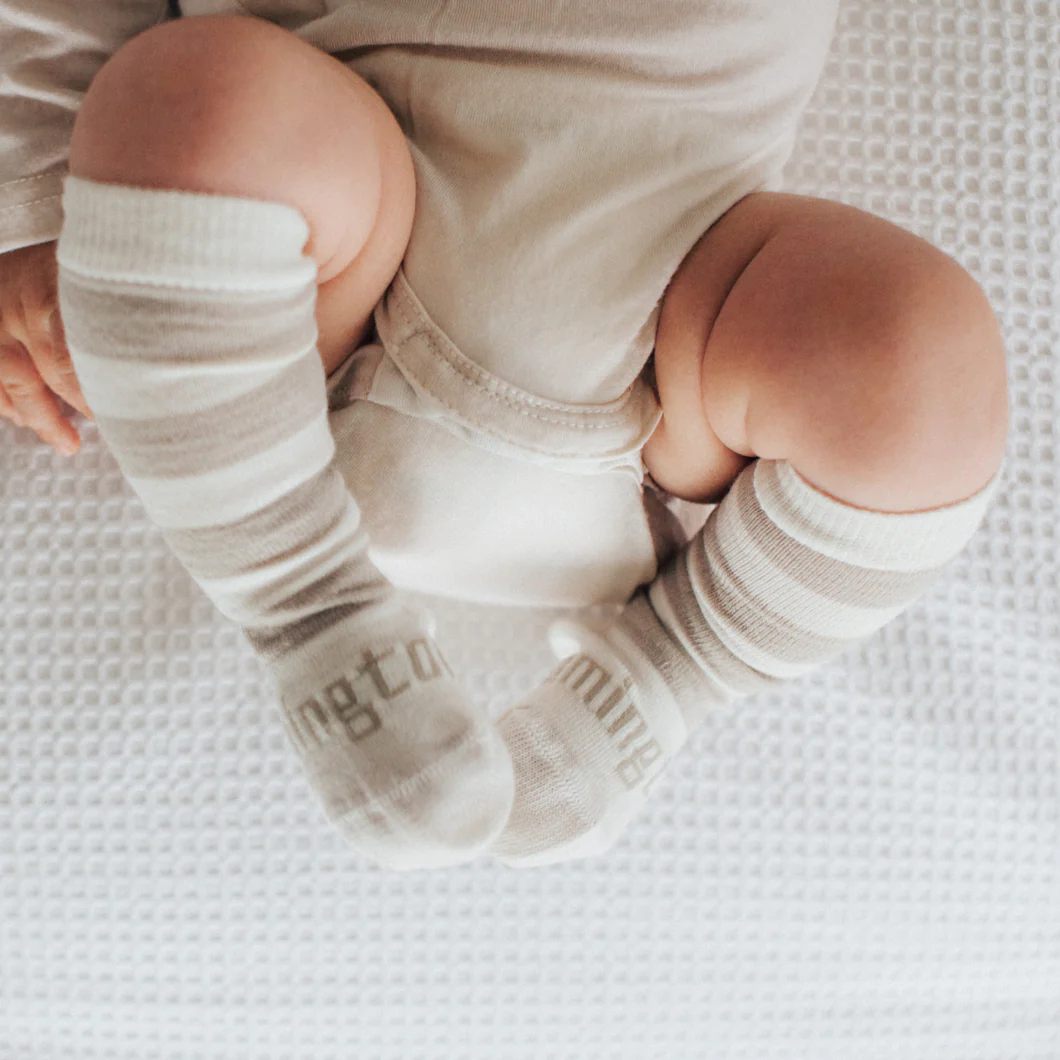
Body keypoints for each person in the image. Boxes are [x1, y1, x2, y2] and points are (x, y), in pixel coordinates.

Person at [0, 2, 1008, 870]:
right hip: (326, 248)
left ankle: (656, 682)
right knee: (185, 97)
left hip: (677, 286)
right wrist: (41, 191)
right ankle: (309, 614)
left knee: (918, 357)